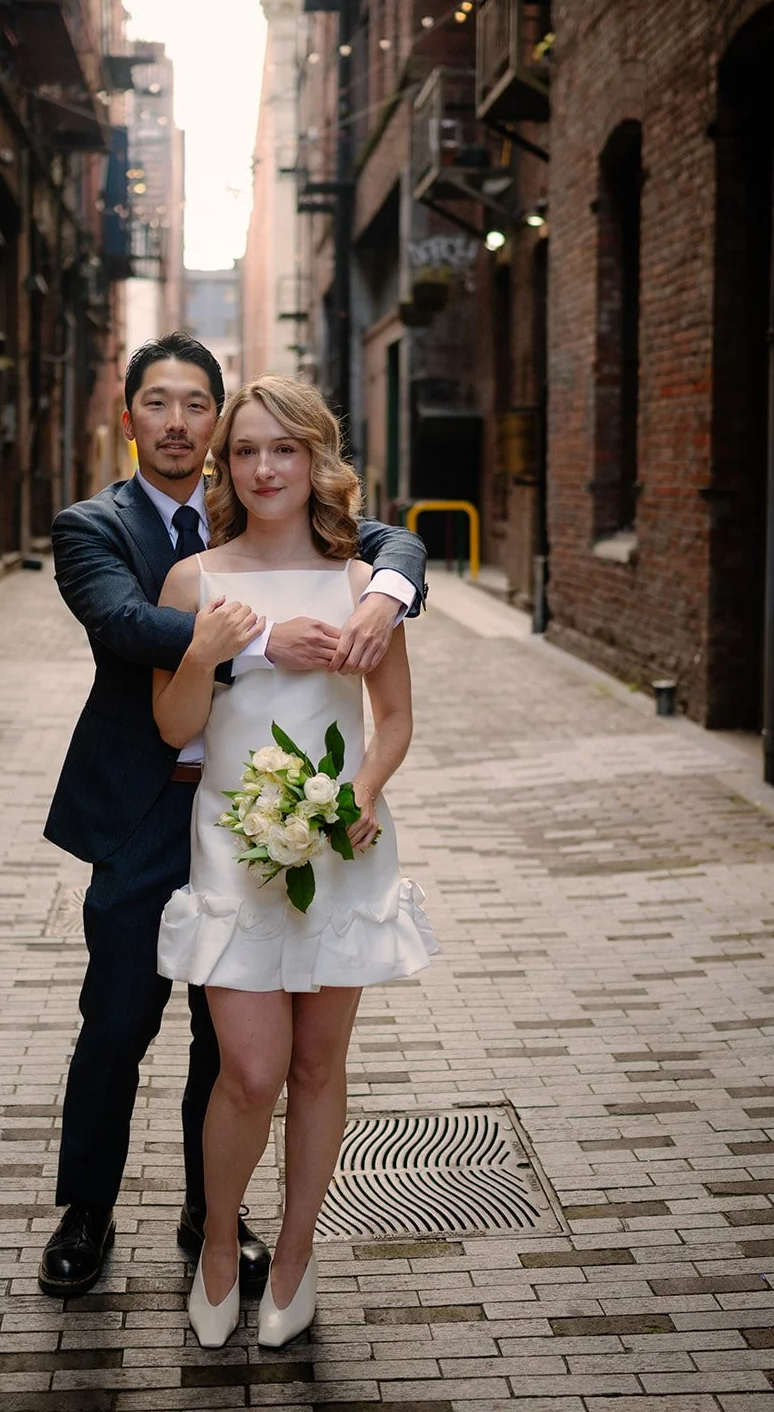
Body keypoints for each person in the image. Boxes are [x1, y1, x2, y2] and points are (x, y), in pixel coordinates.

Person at [39, 334, 428, 1299]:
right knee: (118, 1022)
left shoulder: (295, 515)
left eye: (195, 405)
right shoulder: (94, 526)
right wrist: (255, 640)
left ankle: (214, 1214)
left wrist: (386, 591)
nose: (177, 422)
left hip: (266, 831)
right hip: (147, 811)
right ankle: (86, 1209)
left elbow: (393, 547)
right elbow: (127, 627)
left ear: (219, 423)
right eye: (157, 403)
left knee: (237, 1051)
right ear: (130, 413)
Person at [153, 375, 437, 1349]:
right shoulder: (196, 581)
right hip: (234, 844)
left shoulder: (361, 583)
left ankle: (301, 1255)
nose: (264, 467)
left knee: (319, 1063)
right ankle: (222, 1253)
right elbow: (174, 725)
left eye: (283, 448)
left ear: (315, 457)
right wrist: (205, 651)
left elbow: (392, 721)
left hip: (341, 840)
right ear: (225, 466)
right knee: (251, 1067)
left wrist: (360, 791)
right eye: (245, 450)